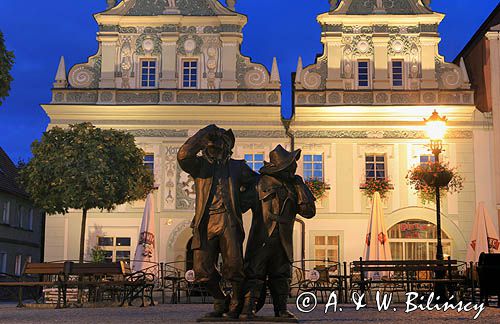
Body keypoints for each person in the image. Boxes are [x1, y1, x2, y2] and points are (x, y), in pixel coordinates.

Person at [177, 124, 257, 318]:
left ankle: (236, 300)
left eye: (219, 145)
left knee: (234, 266)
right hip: (205, 222)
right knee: (201, 269)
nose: (214, 149)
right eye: (211, 146)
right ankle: (220, 298)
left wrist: (241, 204)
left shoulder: (238, 167)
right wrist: (204, 134)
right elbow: (183, 155)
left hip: (228, 220)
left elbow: (257, 183)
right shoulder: (200, 167)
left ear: (227, 148)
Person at [241, 145, 316, 319]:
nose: (295, 167)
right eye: (291, 164)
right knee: (254, 273)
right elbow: (240, 206)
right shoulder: (258, 183)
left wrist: (300, 187)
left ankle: (281, 309)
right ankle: (248, 308)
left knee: (281, 275)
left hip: (283, 239)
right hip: (261, 238)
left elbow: (308, 212)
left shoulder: (294, 185)